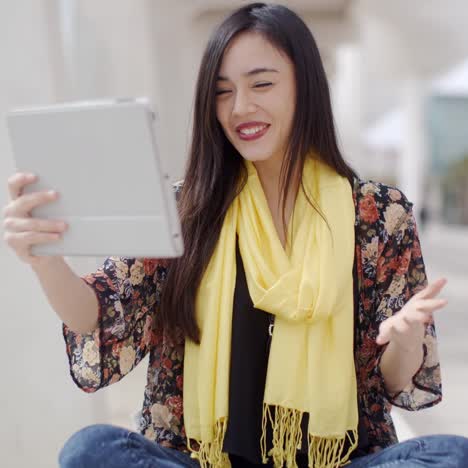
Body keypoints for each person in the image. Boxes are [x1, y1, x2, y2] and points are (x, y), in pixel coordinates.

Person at [3, 3, 468, 467]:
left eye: (261, 84)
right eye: (223, 92)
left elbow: (393, 383)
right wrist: (43, 257)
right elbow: (96, 317)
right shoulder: (187, 208)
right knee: (91, 450)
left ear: (305, 87)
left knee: (451, 455)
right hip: (204, 460)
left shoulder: (375, 215)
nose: (240, 107)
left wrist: (406, 340)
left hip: (338, 461)